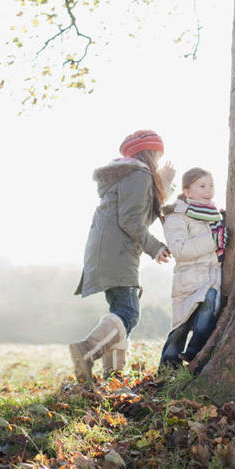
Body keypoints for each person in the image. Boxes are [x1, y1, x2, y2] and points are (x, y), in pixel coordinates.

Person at [70, 129, 175, 382]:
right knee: (129, 313)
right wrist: (156, 247)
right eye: (158, 156)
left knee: (119, 311)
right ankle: (86, 351)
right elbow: (131, 220)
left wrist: (164, 185)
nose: (159, 162)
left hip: (108, 251)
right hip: (118, 252)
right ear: (151, 153)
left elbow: (143, 212)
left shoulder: (128, 175)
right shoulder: (139, 174)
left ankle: (114, 378)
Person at [159, 167, 226, 369]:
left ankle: (195, 352)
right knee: (180, 327)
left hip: (211, 278)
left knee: (208, 310)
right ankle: (168, 367)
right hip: (188, 279)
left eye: (211, 185)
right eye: (202, 186)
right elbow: (179, 249)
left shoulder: (215, 215)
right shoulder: (177, 215)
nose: (208, 190)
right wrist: (213, 240)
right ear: (187, 191)